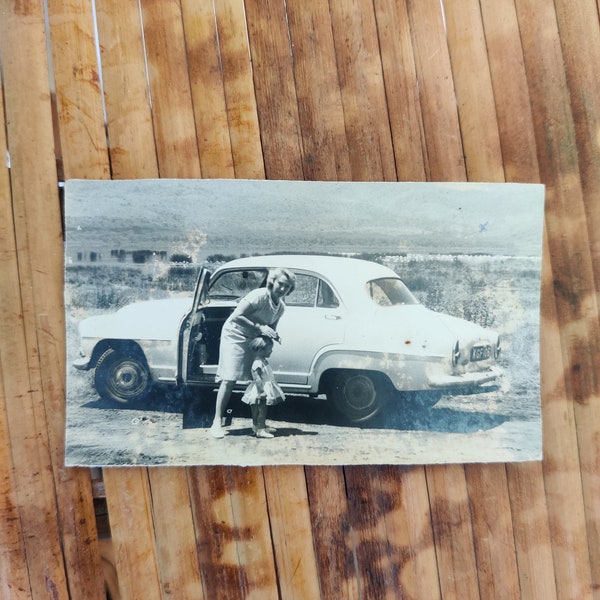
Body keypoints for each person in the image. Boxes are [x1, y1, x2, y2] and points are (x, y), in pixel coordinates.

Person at [210, 267, 296, 438]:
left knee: (256, 383)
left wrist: (273, 336)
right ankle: (216, 422)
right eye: (280, 284)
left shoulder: (281, 307)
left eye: (287, 286)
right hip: (235, 335)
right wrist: (259, 327)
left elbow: (270, 328)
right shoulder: (258, 296)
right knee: (229, 378)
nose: (283, 289)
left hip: (254, 339)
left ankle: (258, 425)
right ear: (272, 281)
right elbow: (236, 316)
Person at [241, 336, 285, 438]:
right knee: (261, 409)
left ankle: (259, 426)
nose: (271, 351)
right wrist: (261, 392)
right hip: (260, 389)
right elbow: (257, 378)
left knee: (259, 409)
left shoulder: (263, 360)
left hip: (262, 388)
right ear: (261, 350)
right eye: (270, 349)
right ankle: (260, 429)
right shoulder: (258, 363)